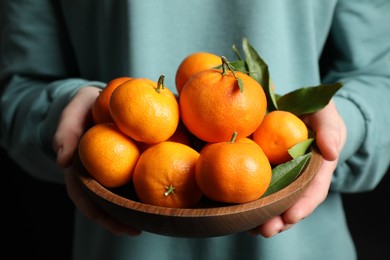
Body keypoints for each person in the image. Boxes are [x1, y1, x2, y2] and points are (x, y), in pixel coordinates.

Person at [1, 1, 389, 259]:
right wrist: (66, 111)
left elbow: (381, 74)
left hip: (300, 244)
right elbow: (17, 87)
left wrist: (340, 124)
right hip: (122, 234)